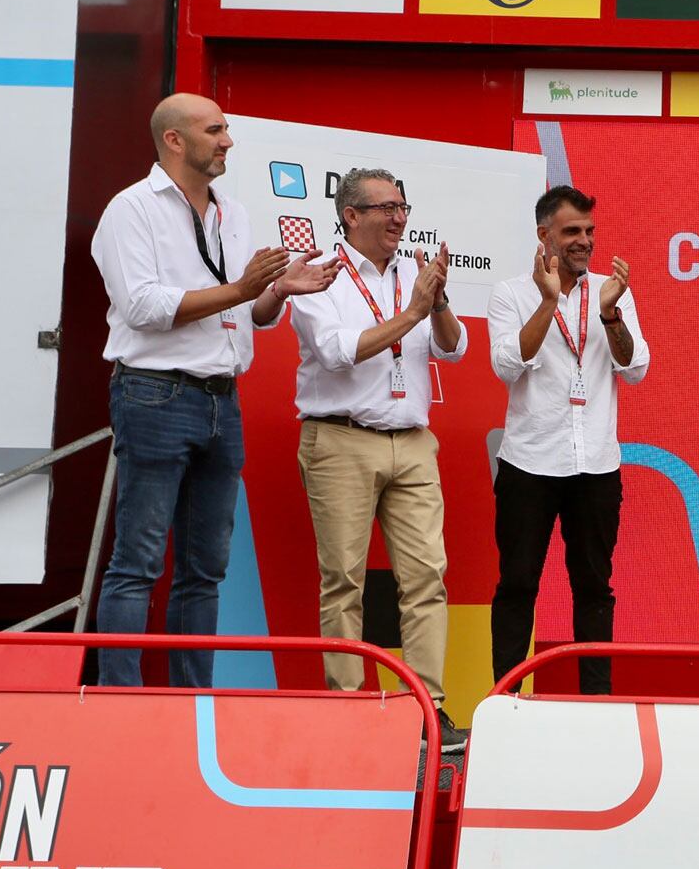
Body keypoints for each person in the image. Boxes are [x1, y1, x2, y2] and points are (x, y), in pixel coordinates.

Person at [91, 93, 338, 687]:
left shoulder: (233, 211)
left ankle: (192, 699)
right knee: (138, 561)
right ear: (174, 140)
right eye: (214, 130)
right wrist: (241, 288)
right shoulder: (131, 210)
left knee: (205, 568)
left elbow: (250, 312)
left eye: (227, 130)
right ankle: (116, 699)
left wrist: (277, 292)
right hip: (154, 395)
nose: (228, 141)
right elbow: (144, 308)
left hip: (221, 400)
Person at [286, 167, 468, 750]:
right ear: (351, 217)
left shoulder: (414, 272)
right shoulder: (322, 276)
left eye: (403, 207)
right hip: (341, 440)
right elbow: (338, 353)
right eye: (386, 208)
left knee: (426, 579)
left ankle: (427, 709)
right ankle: (347, 708)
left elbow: (454, 346)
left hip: (413, 442)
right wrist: (413, 311)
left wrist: (435, 302)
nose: (399, 217)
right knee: (344, 581)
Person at [487, 186, 648, 695]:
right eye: (572, 231)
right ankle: (506, 701)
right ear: (544, 236)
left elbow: (636, 367)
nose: (584, 241)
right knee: (517, 587)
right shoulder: (511, 293)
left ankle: (595, 704)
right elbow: (508, 364)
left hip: (596, 466)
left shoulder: (611, 292)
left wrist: (609, 314)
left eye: (590, 231)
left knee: (594, 589)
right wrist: (549, 300)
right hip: (529, 465)